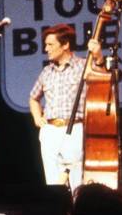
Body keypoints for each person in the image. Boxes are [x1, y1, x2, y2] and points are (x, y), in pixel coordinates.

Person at [28, 24, 104, 193]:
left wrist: (98, 57)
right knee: (53, 184)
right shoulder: (47, 71)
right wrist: (37, 118)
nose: (46, 49)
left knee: (77, 182)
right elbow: (33, 98)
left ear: (65, 45)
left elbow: (104, 77)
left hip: (75, 128)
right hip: (50, 131)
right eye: (46, 45)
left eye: (50, 45)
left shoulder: (83, 66)